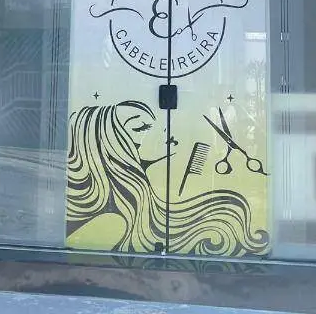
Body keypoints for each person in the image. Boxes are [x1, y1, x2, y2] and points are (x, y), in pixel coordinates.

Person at [66, 100, 268, 257]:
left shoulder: (141, 198)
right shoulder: (111, 221)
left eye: (157, 125)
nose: (166, 133)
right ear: (108, 142)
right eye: (141, 128)